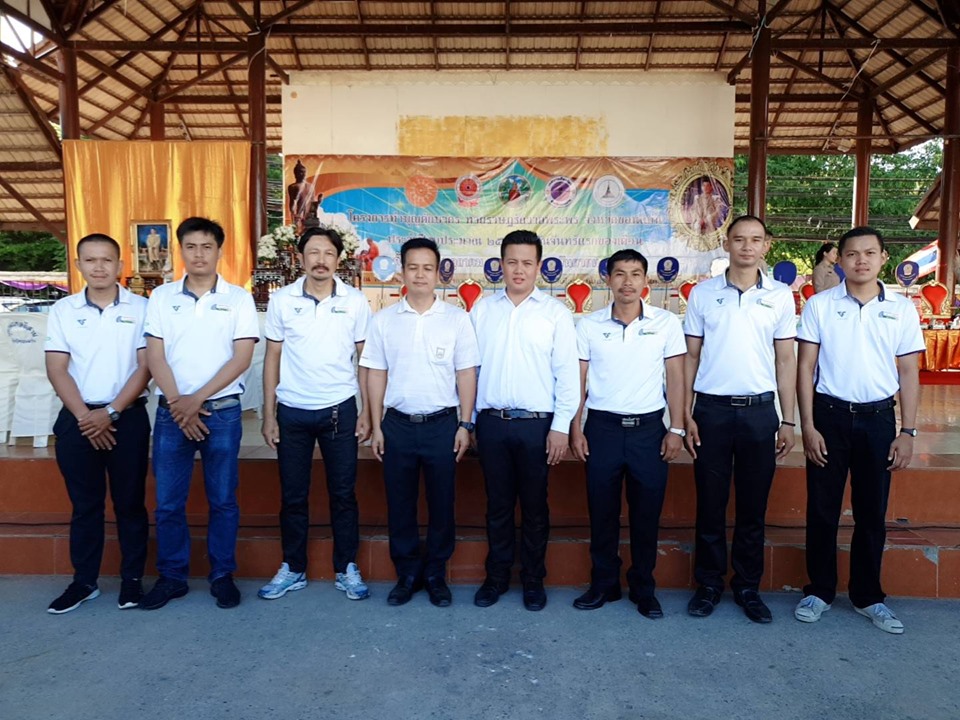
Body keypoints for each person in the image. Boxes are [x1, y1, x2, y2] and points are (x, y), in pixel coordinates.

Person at [794, 226, 923, 634]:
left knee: (871, 511)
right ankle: (819, 590)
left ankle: (868, 596)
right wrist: (807, 426)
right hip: (828, 416)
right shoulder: (820, 305)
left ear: (884, 258)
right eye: (852, 254)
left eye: (870, 253)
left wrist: (908, 432)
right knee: (822, 508)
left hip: (878, 420)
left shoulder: (901, 308)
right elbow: (804, 368)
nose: (861, 260)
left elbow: (908, 372)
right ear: (840, 260)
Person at [140, 217, 259, 611]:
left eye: (207, 246)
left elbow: (241, 357)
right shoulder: (161, 297)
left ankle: (222, 575)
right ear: (180, 251)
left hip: (221, 413)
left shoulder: (238, 299)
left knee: (222, 499)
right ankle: (172, 577)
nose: (199, 254)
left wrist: (197, 400)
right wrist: (180, 403)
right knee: (168, 502)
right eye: (191, 247)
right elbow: (155, 355)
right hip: (171, 414)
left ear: (219, 251)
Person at [683, 214, 797, 623]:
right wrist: (684, 415)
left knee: (752, 506)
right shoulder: (703, 294)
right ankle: (708, 585)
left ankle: (748, 587)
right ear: (726, 244)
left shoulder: (780, 296)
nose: (747, 246)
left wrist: (788, 420)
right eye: (739, 239)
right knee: (710, 504)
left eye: (755, 239)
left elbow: (786, 360)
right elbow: (691, 356)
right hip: (710, 411)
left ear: (767, 245)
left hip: (759, 412)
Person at [361, 238, 479, 607]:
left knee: (442, 502)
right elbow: (375, 373)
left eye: (428, 268)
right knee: (400, 503)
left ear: (439, 273)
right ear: (402, 271)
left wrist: (465, 424)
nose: (420, 275)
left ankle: (435, 573)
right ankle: (408, 573)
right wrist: (376, 424)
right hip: (397, 425)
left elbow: (466, 374)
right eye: (413, 267)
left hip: (442, 425)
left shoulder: (457, 319)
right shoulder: (384, 321)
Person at [569, 249, 686, 619]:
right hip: (601, 429)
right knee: (601, 512)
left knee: (645, 515)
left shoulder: (666, 323)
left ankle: (643, 588)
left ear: (645, 281)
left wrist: (677, 428)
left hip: (649, 432)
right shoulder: (588, 325)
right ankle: (604, 584)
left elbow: (677, 378)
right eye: (619, 273)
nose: (627, 282)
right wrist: (575, 428)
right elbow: (578, 381)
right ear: (607, 279)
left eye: (635, 274)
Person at [258, 227, 372, 602]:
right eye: (313, 253)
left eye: (328, 253)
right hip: (292, 411)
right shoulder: (283, 301)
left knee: (344, 494)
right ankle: (293, 567)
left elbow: (365, 360)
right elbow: (272, 358)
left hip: (340, 408)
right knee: (293, 495)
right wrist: (269, 414)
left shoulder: (355, 301)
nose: (320, 260)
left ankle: (346, 567)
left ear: (338, 259)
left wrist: (367, 411)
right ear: (301, 258)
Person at [471, 229, 579, 611]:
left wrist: (560, 427)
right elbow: (470, 370)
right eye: (512, 262)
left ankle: (533, 580)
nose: (519, 270)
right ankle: (497, 577)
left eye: (527, 263)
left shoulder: (555, 314)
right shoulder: (482, 311)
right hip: (492, 423)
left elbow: (568, 375)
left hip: (537, 426)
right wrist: (470, 422)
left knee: (535, 507)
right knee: (498, 505)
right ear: (501, 265)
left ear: (539, 267)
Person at [44, 233, 151, 614]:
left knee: (130, 503)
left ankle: (132, 580)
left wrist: (112, 412)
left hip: (127, 417)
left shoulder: (143, 307)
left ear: (120, 265)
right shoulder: (64, 310)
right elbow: (57, 367)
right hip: (78, 418)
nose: (99, 267)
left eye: (107, 260)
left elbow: (146, 366)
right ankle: (84, 582)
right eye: (90, 260)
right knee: (85, 504)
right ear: (78, 265)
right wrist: (85, 417)